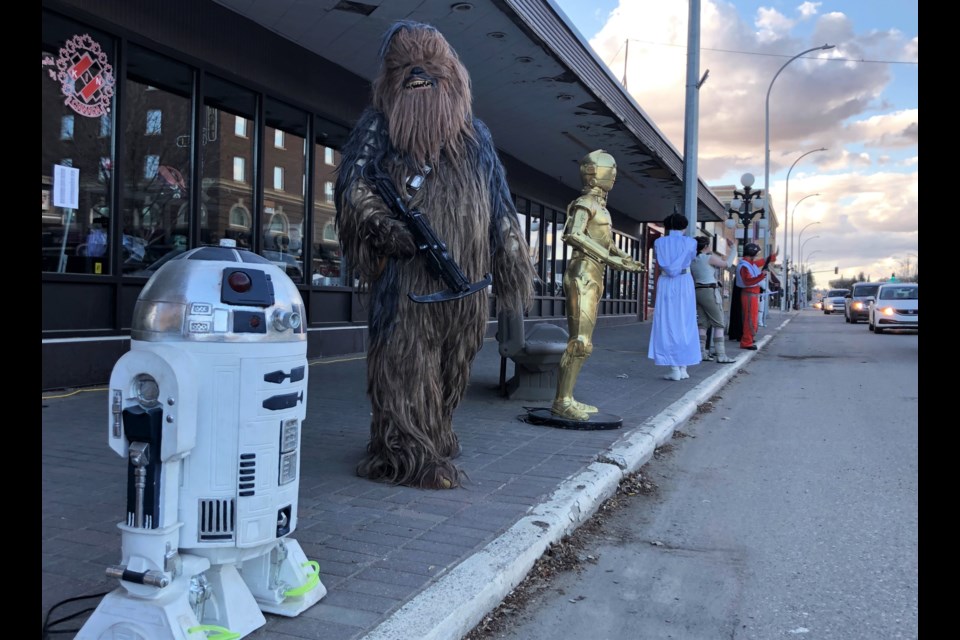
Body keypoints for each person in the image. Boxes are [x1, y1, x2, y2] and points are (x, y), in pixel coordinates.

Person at [334, 21, 535, 490]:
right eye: (405, 69)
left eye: (430, 68)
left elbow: (501, 207)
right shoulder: (378, 129)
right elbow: (355, 185)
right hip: (408, 291)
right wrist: (382, 226)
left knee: (453, 367)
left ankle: (437, 433)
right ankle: (404, 452)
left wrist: (510, 258)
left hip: (465, 291)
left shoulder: (476, 138)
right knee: (406, 367)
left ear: (455, 76)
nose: (419, 75)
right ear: (389, 81)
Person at [551, 150, 644, 421]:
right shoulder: (585, 203)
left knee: (586, 342)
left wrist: (623, 256)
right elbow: (573, 234)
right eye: (609, 170)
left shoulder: (601, 207)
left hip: (594, 273)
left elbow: (604, 241)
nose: (613, 175)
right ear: (594, 173)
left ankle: (567, 397)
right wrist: (608, 258)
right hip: (582, 273)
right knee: (579, 341)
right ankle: (562, 401)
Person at [648, 213, 700, 380]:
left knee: (667, 321)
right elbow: (690, 258)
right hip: (684, 281)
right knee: (686, 321)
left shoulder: (659, 242)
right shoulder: (691, 242)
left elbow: (659, 260)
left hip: (665, 281)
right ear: (684, 226)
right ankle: (683, 366)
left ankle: (674, 367)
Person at [692, 236, 736, 363]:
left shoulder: (693, 259)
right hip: (709, 291)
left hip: (698, 291)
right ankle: (721, 355)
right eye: (709, 245)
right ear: (706, 246)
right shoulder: (708, 258)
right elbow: (727, 264)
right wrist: (733, 249)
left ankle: (701, 352)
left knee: (703, 322)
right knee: (719, 323)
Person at [736, 242, 776, 350]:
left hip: (752, 294)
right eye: (756, 253)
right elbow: (748, 281)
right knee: (750, 319)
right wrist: (761, 275)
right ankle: (746, 342)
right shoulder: (745, 265)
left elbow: (759, 262)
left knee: (752, 318)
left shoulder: (749, 263)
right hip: (749, 294)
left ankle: (749, 339)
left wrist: (770, 258)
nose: (757, 256)